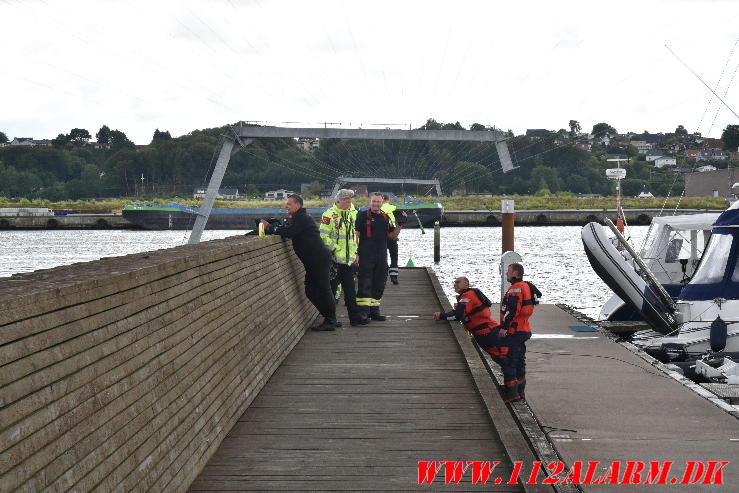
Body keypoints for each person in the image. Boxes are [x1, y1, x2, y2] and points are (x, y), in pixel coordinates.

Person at [260, 194, 338, 331]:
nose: (286, 206)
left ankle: (331, 320)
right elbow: (290, 229)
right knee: (312, 290)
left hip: (318, 259)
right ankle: (330, 317)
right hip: (314, 260)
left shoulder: (302, 218)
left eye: (289, 204)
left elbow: (289, 232)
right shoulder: (299, 218)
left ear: (298, 205)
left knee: (322, 289)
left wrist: (270, 228)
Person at [432, 277, 514, 401]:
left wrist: (441, 316)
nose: (455, 284)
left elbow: (457, 315)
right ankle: (512, 391)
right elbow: (460, 313)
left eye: (458, 282)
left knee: (503, 359)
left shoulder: (468, 295)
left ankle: (512, 393)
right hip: (486, 332)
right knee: (501, 359)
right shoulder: (468, 295)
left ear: (466, 284)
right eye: (454, 283)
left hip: (488, 333)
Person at [319, 189, 367, 326]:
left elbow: (354, 237)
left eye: (350, 200)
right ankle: (330, 320)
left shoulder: (353, 214)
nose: (349, 203)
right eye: (347, 200)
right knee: (331, 291)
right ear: (339, 201)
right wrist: (336, 249)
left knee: (351, 291)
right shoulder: (329, 215)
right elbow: (323, 236)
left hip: (348, 261)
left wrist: (356, 253)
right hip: (334, 261)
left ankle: (354, 318)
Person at [499, 263, 542, 401]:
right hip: (523, 329)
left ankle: (511, 393)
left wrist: (504, 327)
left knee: (509, 361)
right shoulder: (527, 286)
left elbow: (512, 311)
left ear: (515, 274)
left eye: (508, 271)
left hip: (515, 330)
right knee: (519, 361)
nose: (506, 274)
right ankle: (520, 391)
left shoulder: (516, 289)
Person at [356, 192, 399, 322]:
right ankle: (363, 312)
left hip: (381, 256)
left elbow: (392, 236)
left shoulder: (386, 217)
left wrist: (400, 225)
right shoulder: (362, 216)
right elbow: (356, 235)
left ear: (382, 203)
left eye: (378, 202)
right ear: (370, 202)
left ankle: (374, 311)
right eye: (374, 201)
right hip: (366, 255)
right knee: (365, 283)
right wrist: (355, 253)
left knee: (379, 283)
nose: (376, 204)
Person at [381, 194, 405, 285]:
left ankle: (383, 276)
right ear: (389, 200)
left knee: (383, 256)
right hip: (392, 235)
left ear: (382, 200)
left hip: (382, 236)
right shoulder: (394, 208)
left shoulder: (379, 209)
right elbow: (402, 219)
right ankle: (394, 276)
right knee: (394, 256)